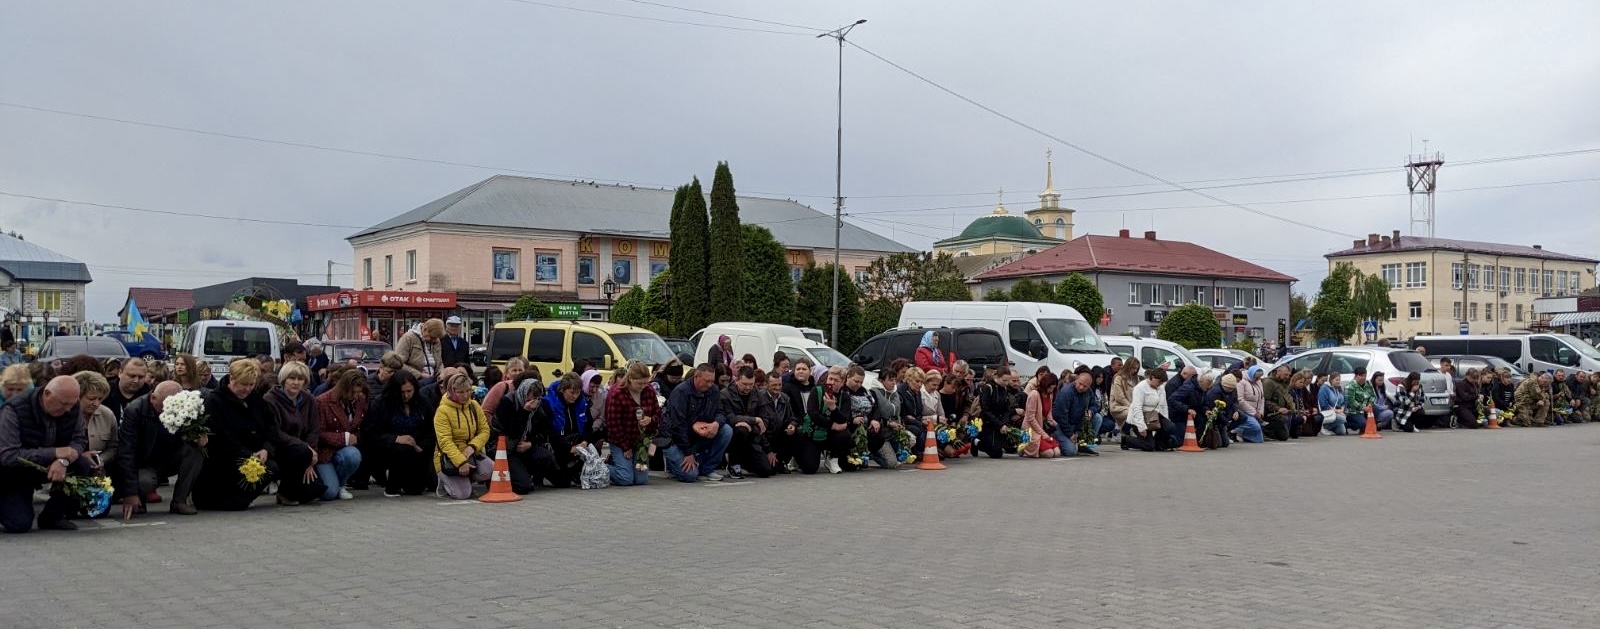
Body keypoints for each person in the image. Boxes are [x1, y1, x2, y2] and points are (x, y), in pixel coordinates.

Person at [192, 360, 293, 511]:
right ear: (231, 379)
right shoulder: (214, 401)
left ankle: (245, 496)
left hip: (255, 453)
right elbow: (221, 436)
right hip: (225, 458)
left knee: (273, 466)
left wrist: (266, 449)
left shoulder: (256, 399)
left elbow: (271, 427)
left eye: (251, 385)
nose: (247, 389)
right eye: (243, 384)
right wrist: (248, 454)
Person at [0, 376, 91, 532]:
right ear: (47, 394)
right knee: (19, 524)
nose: (68, 409)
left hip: (51, 465)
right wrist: (54, 453)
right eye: (64, 404)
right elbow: (8, 455)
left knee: (82, 465)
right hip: (14, 472)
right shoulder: (13, 410)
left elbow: (79, 440)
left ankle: (52, 516)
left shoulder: (72, 407)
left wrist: (64, 461)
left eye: (72, 404)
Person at [116, 381, 204, 517]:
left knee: (194, 452)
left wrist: (199, 437)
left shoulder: (186, 408)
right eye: (165, 406)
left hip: (170, 458)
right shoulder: (135, 410)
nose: (169, 410)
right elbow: (126, 452)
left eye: (174, 406)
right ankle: (139, 500)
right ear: (153, 398)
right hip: (145, 464)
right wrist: (130, 493)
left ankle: (179, 501)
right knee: (144, 481)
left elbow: (194, 435)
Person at [262, 362, 323, 506]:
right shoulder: (270, 399)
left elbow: (314, 429)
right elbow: (275, 432)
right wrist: (305, 448)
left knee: (315, 492)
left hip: (303, 450)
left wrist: (311, 453)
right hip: (279, 448)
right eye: (292, 378)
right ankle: (285, 493)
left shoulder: (309, 399)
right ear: (284, 379)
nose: (296, 382)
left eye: (300, 379)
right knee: (300, 452)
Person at [364, 371, 433, 497]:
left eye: (409, 391)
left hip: (418, 449)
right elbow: (370, 433)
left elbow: (431, 429)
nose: (406, 395)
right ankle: (391, 485)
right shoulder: (381, 403)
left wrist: (421, 446)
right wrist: (395, 438)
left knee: (415, 490)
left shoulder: (423, 402)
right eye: (402, 392)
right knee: (402, 449)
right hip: (388, 449)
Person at [661, 364, 732, 482]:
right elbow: (677, 426)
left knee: (726, 430)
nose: (710, 384)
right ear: (696, 376)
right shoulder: (680, 392)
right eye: (707, 381)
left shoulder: (713, 390)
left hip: (699, 436)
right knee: (690, 476)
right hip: (676, 440)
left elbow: (721, 412)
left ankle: (707, 468)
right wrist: (688, 453)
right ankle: (673, 466)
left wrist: (716, 423)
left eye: (712, 381)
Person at [494, 376, 561, 492]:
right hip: (507, 449)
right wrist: (525, 412)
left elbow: (545, 432)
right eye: (530, 399)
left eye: (537, 399)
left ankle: (530, 473)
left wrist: (530, 443)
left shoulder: (539, 406)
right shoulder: (507, 402)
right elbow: (511, 431)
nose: (534, 402)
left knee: (547, 458)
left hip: (526, 446)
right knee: (523, 487)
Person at [433, 373, 492, 499]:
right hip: (448, 458)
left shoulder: (474, 405)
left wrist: (472, 447)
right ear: (451, 391)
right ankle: (444, 482)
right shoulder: (442, 411)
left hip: (471, 454)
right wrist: (461, 462)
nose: (465, 395)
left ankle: (466, 479)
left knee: (492, 469)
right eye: (460, 392)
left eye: (468, 390)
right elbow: (445, 442)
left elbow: (485, 430)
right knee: (462, 494)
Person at [310, 369, 365, 501]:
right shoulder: (322, 402)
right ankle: (332, 482)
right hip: (324, 452)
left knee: (353, 455)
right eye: (353, 392)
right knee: (329, 493)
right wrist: (344, 438)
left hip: (345, 451)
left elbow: (360, 425)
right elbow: (318, 433)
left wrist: (355, 436)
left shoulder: (359, 401)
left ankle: (341, 484)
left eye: (358, 392)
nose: (356, 395)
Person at [603, 363, 660, 487]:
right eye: (639, 383)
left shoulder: (649, 390)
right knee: (625, 479)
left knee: (641, 480)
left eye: (645, 383)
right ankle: (601, 466)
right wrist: (625, 447)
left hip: (641, 442)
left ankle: (619, 463)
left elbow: (658, 414)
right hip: (620, 440)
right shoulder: (617, 393)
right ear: (630, 379)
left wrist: (650, 419)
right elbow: (613, 424)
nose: (643, 386)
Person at [797, 365, 854, 473]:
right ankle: (798, 457)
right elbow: (813, 414)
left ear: (842, 382)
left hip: (830, 435)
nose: (832, 382)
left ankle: (832, 458)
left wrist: (833, 408)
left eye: (836, 380)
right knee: (809, 469)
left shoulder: (845, 396)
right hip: (814, 433)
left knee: (845, 434)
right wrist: (832, 425)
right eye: (830, 379)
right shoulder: (817, 390)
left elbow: (844, 419)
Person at [721, 366, 774, 478]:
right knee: (741, 430)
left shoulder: (757, 394)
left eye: (751, 384)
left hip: (753, 438)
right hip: (734, 437)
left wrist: (768, 449)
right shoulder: (725, 394)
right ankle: (733, 463)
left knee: (767, 471)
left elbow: (764, 421)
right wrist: (754, 420)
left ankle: (744, 461)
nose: (748, 387)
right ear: (737, 380)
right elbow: (730, 418)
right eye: (744, 384)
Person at [73, 372, 118, 494]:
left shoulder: (107, 414)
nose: (97, 404)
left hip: (99, 475)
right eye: (91, 399)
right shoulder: (64, 415)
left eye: (100, 399)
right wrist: (80, 457)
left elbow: (113, 447)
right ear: (77, 396)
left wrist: (100, 459)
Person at [975, 366, 1020, 459]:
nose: (1006, 383)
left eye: (1008, 381)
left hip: (1000, 422)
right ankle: (976, 442)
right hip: (988, 423)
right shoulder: (988, 388)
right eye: (1004, 380)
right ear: (996, 377)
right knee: (996, 453)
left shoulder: (1004, 389)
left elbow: (1007, 409)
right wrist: (999, 425)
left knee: (1011, 447)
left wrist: (1004, 423)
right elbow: (986, 410)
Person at [1123, 368, 1173, 452]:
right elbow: (1137, 408)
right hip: (1141, 418)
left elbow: (1163, 405)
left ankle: (1158, 444)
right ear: (1152, 377)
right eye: (1159, 382)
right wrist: (1141, 427)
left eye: (1162, 383)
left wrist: (1166, 420)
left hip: (1154, 416)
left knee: (1170, 427)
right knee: (1149, 446)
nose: (1160, 384)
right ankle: (1126, 440)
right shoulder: (1140, 388)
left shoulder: (1160, 387)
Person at [1052, 372, 1097, 457]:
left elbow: (1094, 405)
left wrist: (1091, 411)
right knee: (1071, 451)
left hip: (1076, 423)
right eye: (1080, 384)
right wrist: (1070, 434)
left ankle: (1083, 444)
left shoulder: (1089, 392)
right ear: (1076, 380)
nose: (1081, 387)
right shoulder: (1066, 392)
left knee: (1097, 418)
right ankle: (1055, 440)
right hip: (1061, 426)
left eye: (1085, 386)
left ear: (1089, 386)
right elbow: (1060, 416)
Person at [761, 369, 797, 474]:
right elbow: (759, 430)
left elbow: (792, 417)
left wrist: (792, 425)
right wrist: (769, 451)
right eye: (774, 385)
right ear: (766, 384)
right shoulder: (759, 399)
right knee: (768, 471)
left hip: (778, 437)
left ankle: (781, 460)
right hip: (764, 440)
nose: (777, 388)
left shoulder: (785, 398)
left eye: (779, 385)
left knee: (796, 433)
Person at [867, 367, 903, 469]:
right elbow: (884, 412)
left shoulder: (894, 392)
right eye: (890, 380)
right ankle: (872, 454)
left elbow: (897, 413)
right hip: (881, 434)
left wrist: (899, 424)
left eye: (895, 380)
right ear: (881, 381)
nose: (894, 383)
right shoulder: (873, 393)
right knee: (891, 463)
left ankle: (893, 453)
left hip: (892, 432)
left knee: (911, 439)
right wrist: (889, 423)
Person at [1020, 372, 1060, 458]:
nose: (1051, 390)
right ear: (1045, 385)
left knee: (1057, 452)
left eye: (1053, 388)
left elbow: (1049, 411)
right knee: (1049, 453)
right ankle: (1025, 447)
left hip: (1041, 429)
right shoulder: (1034, 394)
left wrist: (1052, 421)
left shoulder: (1050, 395)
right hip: (1029, 430)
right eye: (1050, 388)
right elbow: (1030, 418)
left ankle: (1033, 449)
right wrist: (1043, 433)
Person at [482, 357, 528, 423]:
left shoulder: (526, 387)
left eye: (520, 370)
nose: (518, 373)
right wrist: (496, 426)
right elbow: (486, 411)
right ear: (507, 373)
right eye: (514, 370)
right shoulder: (501, 386)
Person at [1261, 366, 1298, 441]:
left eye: (1288, 375)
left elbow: (1287, 397)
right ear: (1278, 371)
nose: (1287, 377)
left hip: (1282, 412)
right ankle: (1264, 430)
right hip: (1270, 414)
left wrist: (1292, 408)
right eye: (1285, 374)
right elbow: (1265, 401)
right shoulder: (1268, 382)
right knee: (1283, 436)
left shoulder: (1283, 383)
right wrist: (1278, 409)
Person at [1233, 366, 1266, 443]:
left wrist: (1260, 412)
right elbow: (1240, 400)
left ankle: (1242, 435)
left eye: (1260, 377)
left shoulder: (1259, 382)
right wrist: (1254, 412)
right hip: (1244, 411)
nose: (1258, 379)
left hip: (1256, 412)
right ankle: (1234, 430)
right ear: (1252, 374)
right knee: (1255, 427)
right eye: (1256, 377)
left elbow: (1262, 398)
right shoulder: (1241, 381)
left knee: (1259, 439)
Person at [1343, 367, 1376, 433]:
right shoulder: (1349, 386)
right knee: (1362, 424)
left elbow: (1373, 396)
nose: (1363, 378)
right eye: (1361, 376)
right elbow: (1351, 402)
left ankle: (1370, 425)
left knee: (1385, 413)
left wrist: (1369, 405)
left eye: (1365, 376)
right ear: (1356, 376)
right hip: (1353, 411)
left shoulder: (1368, 383)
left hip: (1367, 407)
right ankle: (1344, 425)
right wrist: (1363, 408)